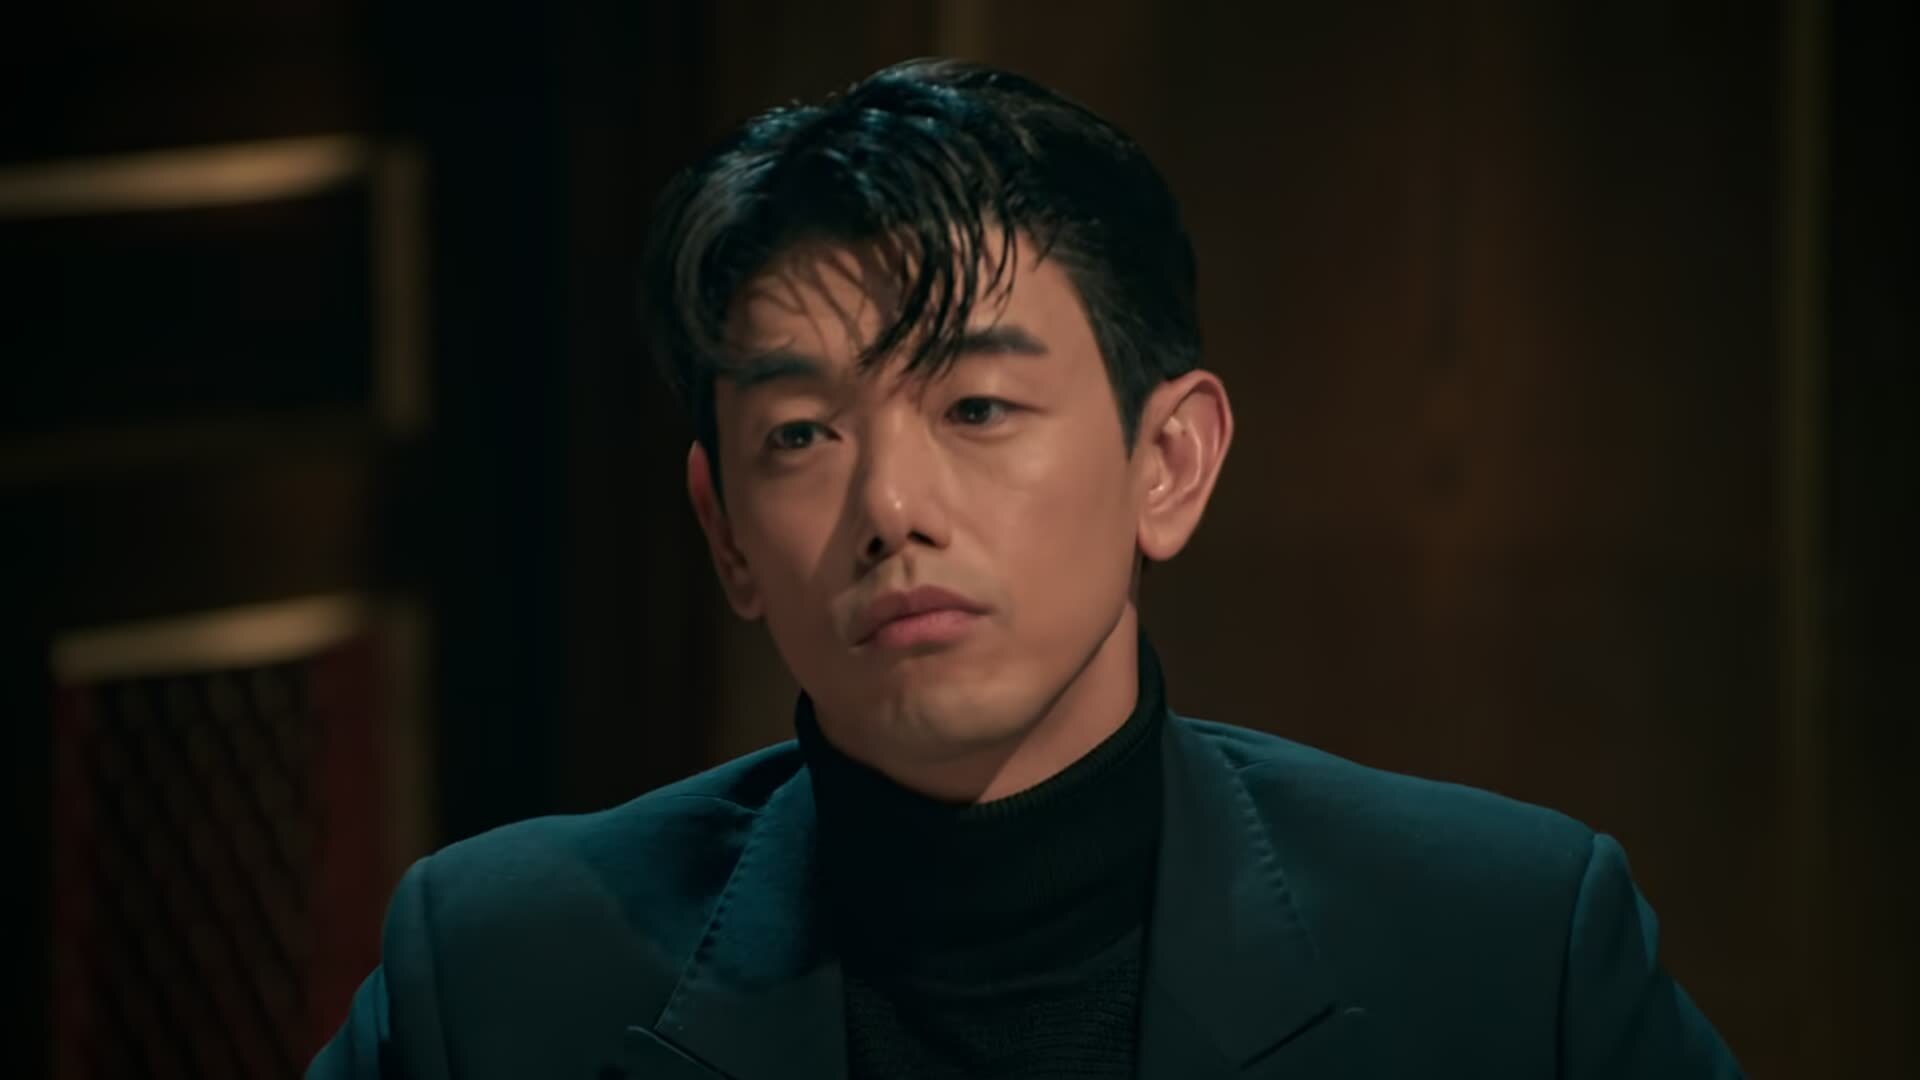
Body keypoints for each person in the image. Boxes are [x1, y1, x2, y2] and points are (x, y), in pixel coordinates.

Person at [309, 58, 1742, 1079]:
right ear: (726, 533)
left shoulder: (1502, 954)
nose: (890, 505)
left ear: (1167, 462)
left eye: (979, 408)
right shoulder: (503, 977)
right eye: (801, 434)